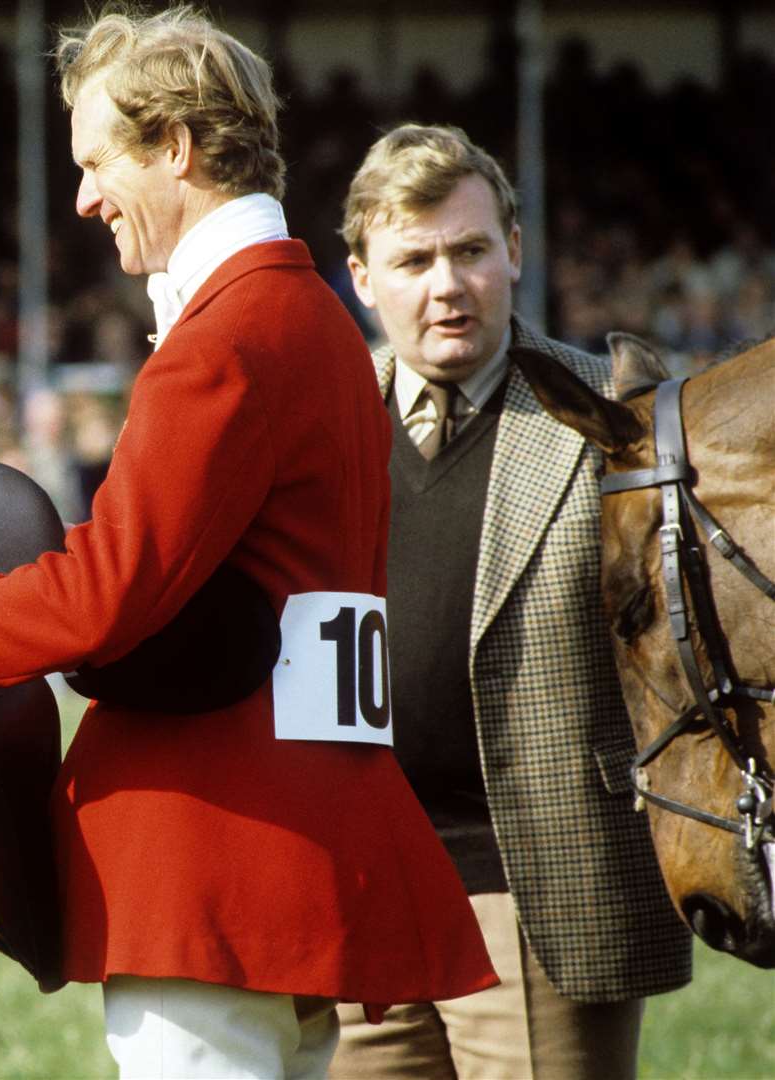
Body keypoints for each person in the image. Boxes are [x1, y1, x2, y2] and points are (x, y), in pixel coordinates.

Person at [0, 10, 496, 1078]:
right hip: (300, 836)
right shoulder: (308, 315)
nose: (82, 196)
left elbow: (106, 595)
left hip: (212, 856)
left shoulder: (226, 338)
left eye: (96, 160)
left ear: (174, 146)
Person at [331, 122, 693, 1079]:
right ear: (363, 277)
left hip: (540, 896)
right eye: (412, 259)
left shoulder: (616, 418)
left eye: (469, 251)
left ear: (515, 253)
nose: (446, 284)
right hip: (357, 899)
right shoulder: (318, 424)